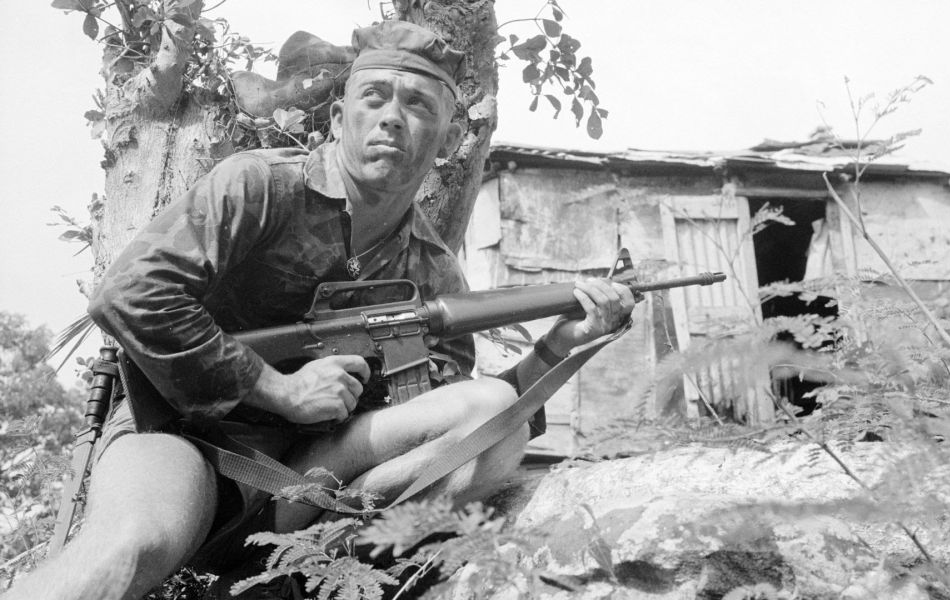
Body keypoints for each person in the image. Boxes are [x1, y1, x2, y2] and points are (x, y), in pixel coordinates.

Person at [6, 21, 634, 600]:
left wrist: (562, 347)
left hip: (316, 476)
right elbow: (130, 293)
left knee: (497, 418)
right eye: (375, 97)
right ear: (338, 115)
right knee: (134, 546)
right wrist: (277, 388)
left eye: (418, 104)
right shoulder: (256, 186)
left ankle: (314, 562)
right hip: (186, 438)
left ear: (447, 136)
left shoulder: (432, 269)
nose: (393, 117)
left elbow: (450, 416)